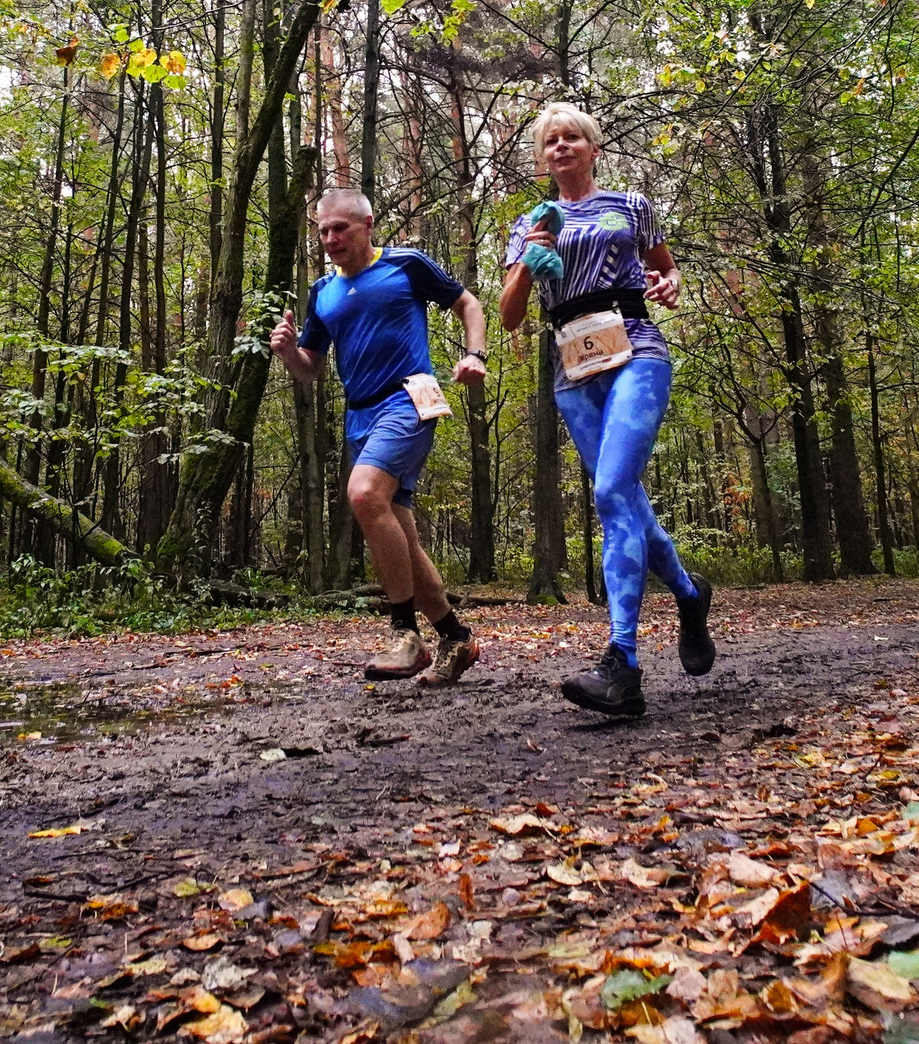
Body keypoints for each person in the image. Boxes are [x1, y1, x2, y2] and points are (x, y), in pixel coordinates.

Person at [499, 101, 713, 719]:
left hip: (636, 350)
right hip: (573, 368)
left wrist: (669, 285)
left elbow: (664, 273)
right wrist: (528, 261)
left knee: (613, 488)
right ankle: (689, 593)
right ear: (543, 159)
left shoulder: (631, 205)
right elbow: (512, 315)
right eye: (550, 142)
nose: (561, 146)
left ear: (593, 149)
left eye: (572, 138)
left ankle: (622, 663)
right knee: (625, 500)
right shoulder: (532, 221)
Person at [271, 188, 489, 685]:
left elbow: (468, 303)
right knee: (402, 541)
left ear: (367, 224)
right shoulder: (322, 292)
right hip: (361, 416)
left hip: (410, 398)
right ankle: (456, 637)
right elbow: (310, 369)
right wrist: (287, 352)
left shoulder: (406, 265)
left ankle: (404, 634)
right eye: (323, 231)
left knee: (364, 494)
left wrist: (475, 355)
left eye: (340, 228)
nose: (330, 239)